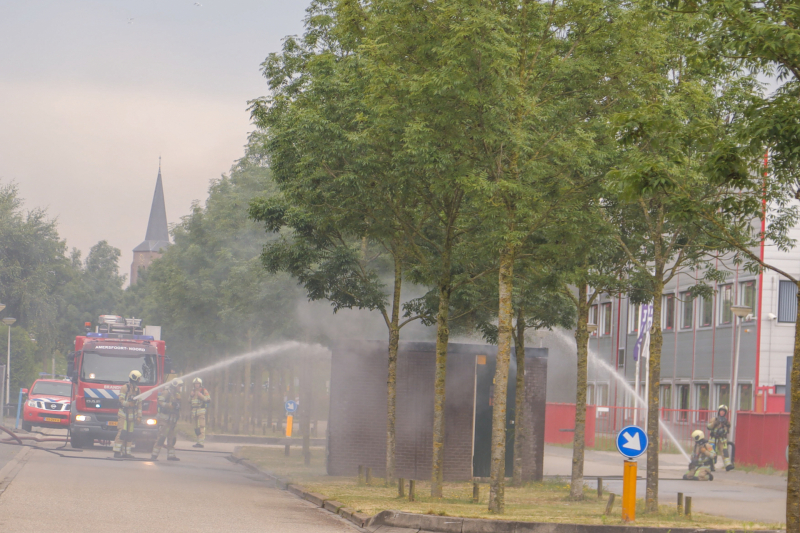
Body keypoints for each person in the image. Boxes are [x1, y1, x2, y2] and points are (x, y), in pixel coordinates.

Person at [151, 378, 183, 461]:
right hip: (165, 420)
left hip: (173, 420)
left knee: (172, 438)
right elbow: (160, 402)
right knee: (161, 438)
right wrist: (169, 405)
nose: (180, 387)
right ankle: (154, 456)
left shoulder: (177, 394)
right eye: (179, 385)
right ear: (175, 385)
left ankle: (171, 456)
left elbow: (177, 407)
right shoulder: (166, 392)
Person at [114, 370, 143, 459]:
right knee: (122, 433)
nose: (139, 380)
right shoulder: (125, 388)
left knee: (130, 435)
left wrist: (139, 417)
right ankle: (117, 452)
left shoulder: (138, 390)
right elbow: (121, 400)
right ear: (134, 378)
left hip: (132, 417)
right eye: (138, 379)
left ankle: (127, 453)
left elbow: (139, 405)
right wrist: (128, 404)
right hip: (123, 415)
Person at [707, 404, 734, 471]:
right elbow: (708, 427)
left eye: (723, 411)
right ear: (719, 412)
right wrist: (714, 424)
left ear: (725, 413)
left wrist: (723, 431)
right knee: (712, 452)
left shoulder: (726, 421)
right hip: (713, 439)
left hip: (722, 440)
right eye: (721, 411)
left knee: (724, 452)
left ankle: (728, 465)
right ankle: (711, 466)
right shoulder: (714, 419)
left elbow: (727, 430)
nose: (722, 412)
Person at [190, 377, 211, 448]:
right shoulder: (192, 391)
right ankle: (198, 442)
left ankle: (201, 443)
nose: (197, 385)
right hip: (194, 412)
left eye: (198, 383)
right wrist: (191, 396)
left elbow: (208, 399)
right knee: (196, 428)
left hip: (201, 411)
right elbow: (189, 401)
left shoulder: (203, 390)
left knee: (201, 426)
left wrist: (201, 396)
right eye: (195, 384)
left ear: (200, 384)